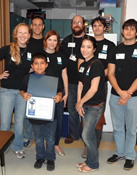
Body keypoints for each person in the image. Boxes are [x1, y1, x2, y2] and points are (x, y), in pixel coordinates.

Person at [107, 19, 137, 170]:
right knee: (118, 127)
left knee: (132, 129)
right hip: (115, 95)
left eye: (132, 29)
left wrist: (128, 93)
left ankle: (130, 156)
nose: (129, 31)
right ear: (122, 31)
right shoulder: (115, 50)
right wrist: (120, 92)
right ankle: (120, 152)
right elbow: (111, 74)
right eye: (126, 28)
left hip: (133, 97)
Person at [0, 23, 31, 159]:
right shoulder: (7, 49)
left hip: (22, 92)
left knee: (19, 122)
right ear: (16, 34)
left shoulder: (31, 51)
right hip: (6, 91)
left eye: (26, 33)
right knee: (5, 122)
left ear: (29, 35)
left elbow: (35, 66)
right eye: (20, 32)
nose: (23, 35)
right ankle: (3, 147)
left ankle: (17, 147)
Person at [20, 53, 63, 171]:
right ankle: (40, 157)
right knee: (38, 139)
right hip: (35, 115)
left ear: (46, 65)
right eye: (36, 64)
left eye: (42, 63)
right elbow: (22, 89)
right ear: (32, 65)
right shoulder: (28, 78)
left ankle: (50, 158)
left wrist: (59, 96)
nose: (39, 66)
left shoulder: (52, 78)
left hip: (50, 114)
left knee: (50, 138)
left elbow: (60, 91)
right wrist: (23, 94)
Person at [81, 16, 116, 158]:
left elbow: (111, 66)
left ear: (104, 28)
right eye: (94, 26)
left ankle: (95, 144)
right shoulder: (87, 42)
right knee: (85, 116)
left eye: (100, 26)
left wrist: (99, 77)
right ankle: (86, 145)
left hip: (101, 85)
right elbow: (81, 63)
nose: (97, 28)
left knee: (97, 117)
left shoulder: (110, 45)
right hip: (86, 83)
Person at [76, 35, 105, 172]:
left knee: (87, 135)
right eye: (83, 46)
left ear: (94, 49)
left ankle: (93, 164)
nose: (85, 50)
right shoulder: (82, 64)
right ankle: (89, 160)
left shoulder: (97, 64)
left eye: (88, 47)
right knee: (88, 134)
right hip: (85, 104)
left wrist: (81, 102)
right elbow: (80, 85)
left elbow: (93, 89)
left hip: (94, 106)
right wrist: (78, 102)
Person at [60, 15, 86, 144]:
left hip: (86, 83)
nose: (76, 24)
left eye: (79, 22)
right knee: (72, 109)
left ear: (83, 25)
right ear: (71, 25)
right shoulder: (66, 41)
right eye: (74, 22)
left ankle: (86, 135)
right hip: (70, 82)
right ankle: (74, 134)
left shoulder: (88, 40)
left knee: (86, 109)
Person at [42, 30, 68, 156]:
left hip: (58, 92)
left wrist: (66, 92)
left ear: (58, 42)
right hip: (43, 92)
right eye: (50, 39)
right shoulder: (39, 55)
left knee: (58, 119)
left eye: (55, 40)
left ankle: (55, 144)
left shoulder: (61, 56)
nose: (52, 43)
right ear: (45, 41)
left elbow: (64, 74)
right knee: (44, 119)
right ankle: (44, 144)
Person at [23, 16, 45, 147]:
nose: (37, 27)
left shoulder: (46, 42)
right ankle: (27, 136)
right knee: (28, 110)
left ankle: (40, 137)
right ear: (31, 26)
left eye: (39, 25)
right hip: (29, 80)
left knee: (42, 110)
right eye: (35, 25)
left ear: (43, 26)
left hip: (43, 81)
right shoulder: (26, 42)